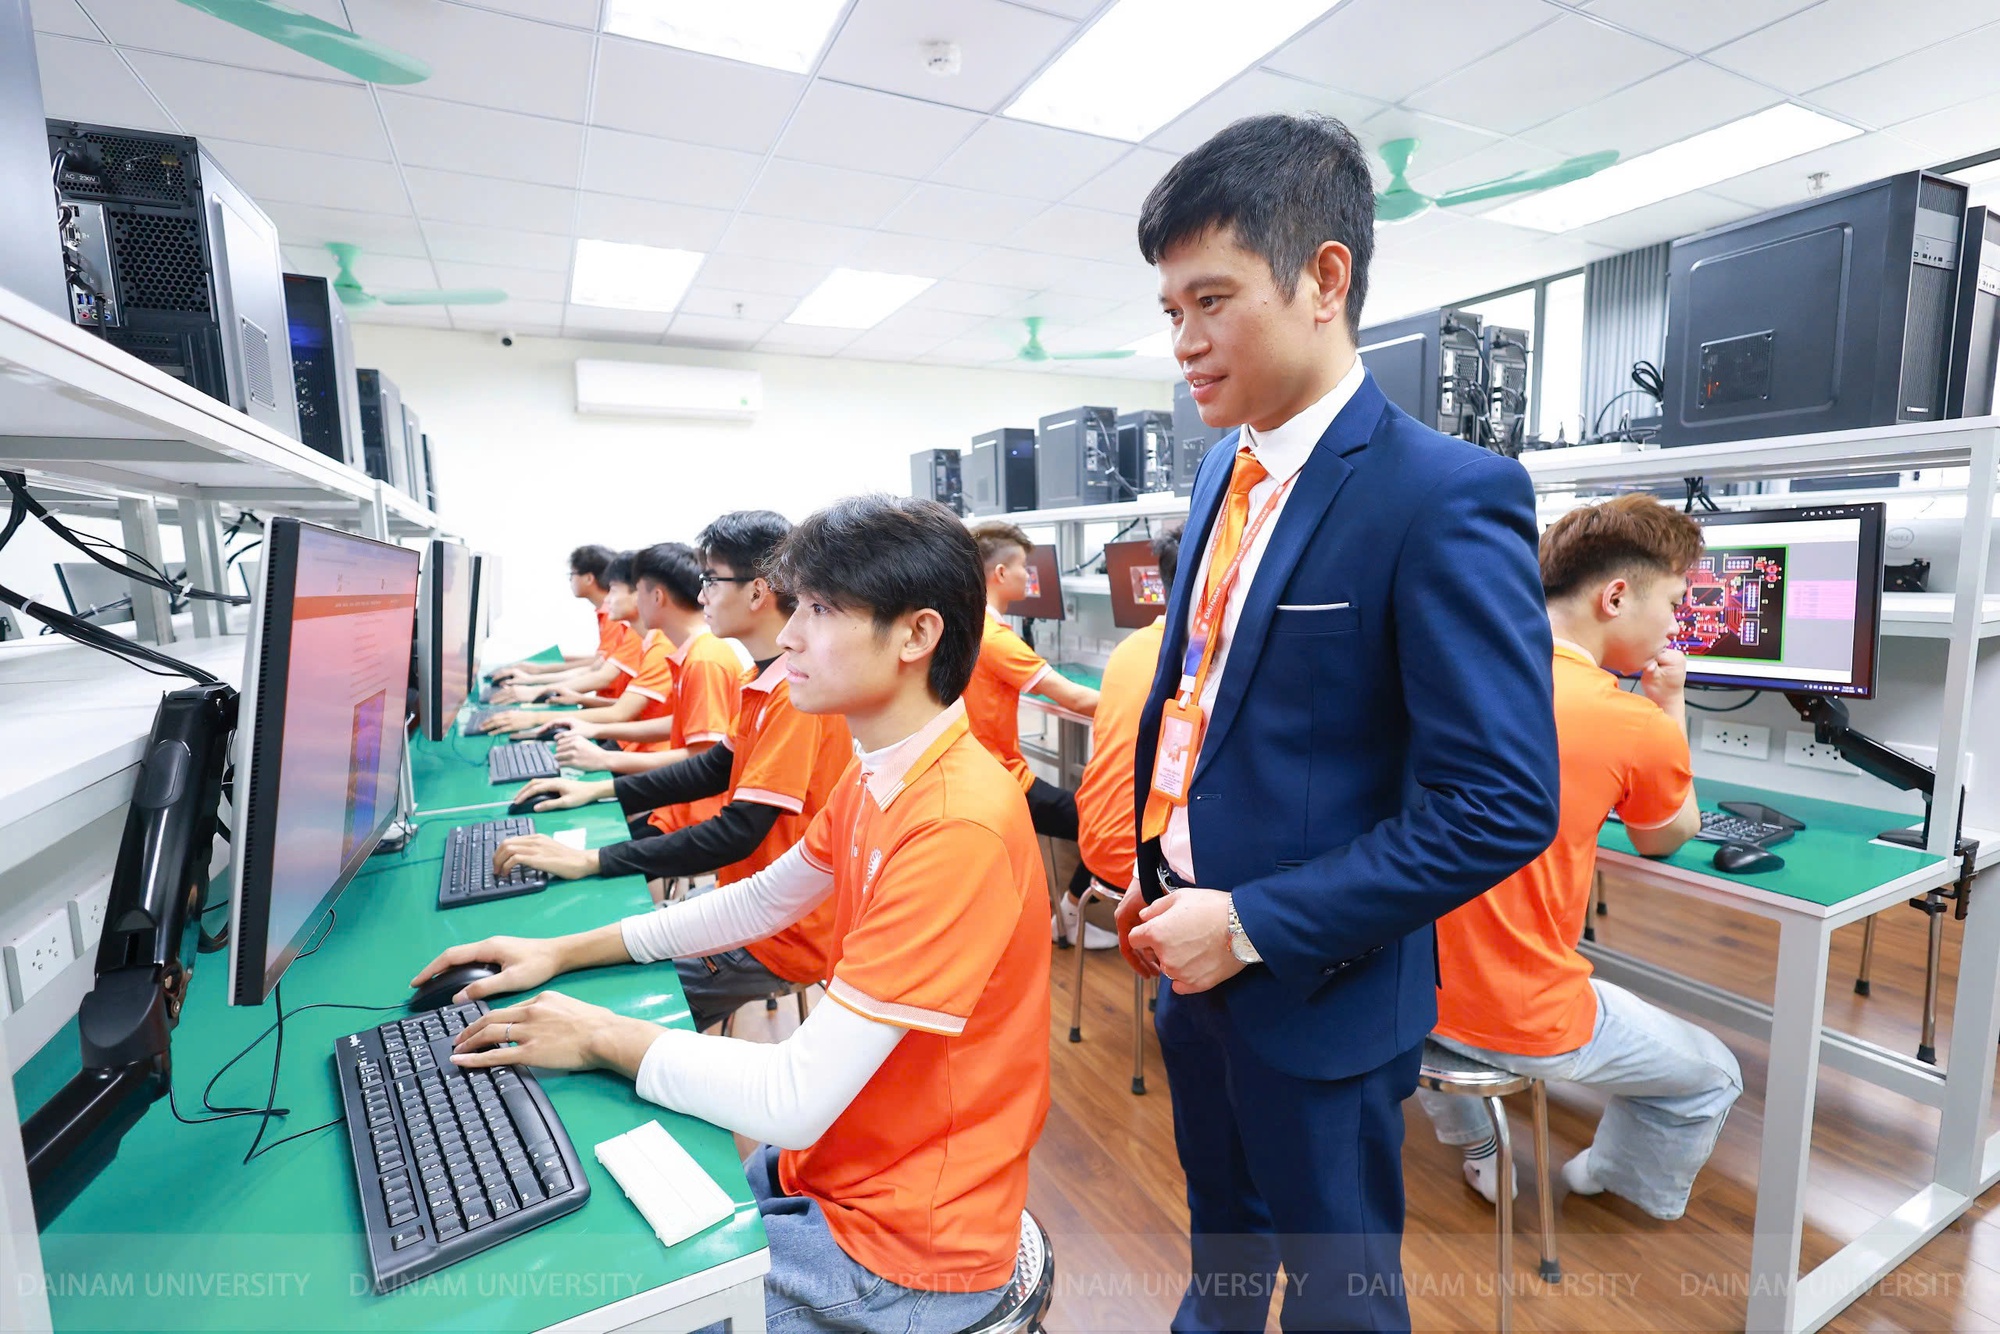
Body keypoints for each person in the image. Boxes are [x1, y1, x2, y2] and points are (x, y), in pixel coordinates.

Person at [1115, 113, 1560, 1333]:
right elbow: (1202, 697)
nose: (1184, 342)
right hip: (1184, 954)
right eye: (1170, 311)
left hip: (1317, 987)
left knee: (1337, 1300)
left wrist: (1247, 923)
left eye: (1211, 301)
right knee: (1221, 1248)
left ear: (1324, 278)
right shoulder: (1222, 469)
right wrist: (1160, 868)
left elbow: (1498, 803)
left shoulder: (1441, 494)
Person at [412, 495, 1050, 1332]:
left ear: (916, 635)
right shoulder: (881, 771)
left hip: (903, 1249)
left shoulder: (955, 822)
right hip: (837, 1166)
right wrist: (565, 951)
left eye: (820, 610)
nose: (791, 634)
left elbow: (796, 1095)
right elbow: (762, 897)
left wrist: (604, 1035)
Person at [1419, 494, 1742, 1220]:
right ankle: (1606, 1173)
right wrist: (1669, 705)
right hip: (1518, 1012)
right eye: (1673, 604)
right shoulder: (1628, 721)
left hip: (1402, 990)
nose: (1675, 626)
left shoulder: (1452, 675)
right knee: (1714, 1075)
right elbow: (1665, 834)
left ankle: (1479, 1145)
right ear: (1615, 597)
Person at [492, 511, 853, 1032]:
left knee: (594, 1006)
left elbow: (738, 831)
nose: (700, 594)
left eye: (711, 580)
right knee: (588, 955)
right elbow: (711, 767)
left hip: (779, 934)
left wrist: (594, 859)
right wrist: (597, 790)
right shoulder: (763, 680)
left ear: (757, 591)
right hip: (744, 899)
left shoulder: (794, 695)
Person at [1060, 522, 1183, 950]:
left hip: (1094, 834)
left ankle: (1070, 908)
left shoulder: (1130, 646)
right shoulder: (1192, 662)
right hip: (1134, 857)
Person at [547, 542, 739, 784]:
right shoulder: (692, 652)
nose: (634, 601)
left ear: (657, 597)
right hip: (673, 780)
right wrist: (595, 729)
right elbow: (680, 723)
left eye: (637, 591)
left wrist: (605, 759)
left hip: (687, 796)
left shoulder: (704, 660)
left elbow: (704, 757)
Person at [961, 520, 1099, 840]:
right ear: (1000, 573)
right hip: (1001, 779)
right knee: (1100, 824)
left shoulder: (968, 625)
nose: (1027, 575)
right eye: (1024, 566)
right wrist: (1145, 706)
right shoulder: (995, 639)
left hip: (972, 773)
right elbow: (1076, 699)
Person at [481, 551, 647, 722]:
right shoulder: (627, 627)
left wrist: (535, 696)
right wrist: (536, 675)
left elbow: (602, 677)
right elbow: (597, 665)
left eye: (613, 590)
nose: (608, 599)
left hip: (619, 723)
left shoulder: (631, 630)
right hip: (613, 713)